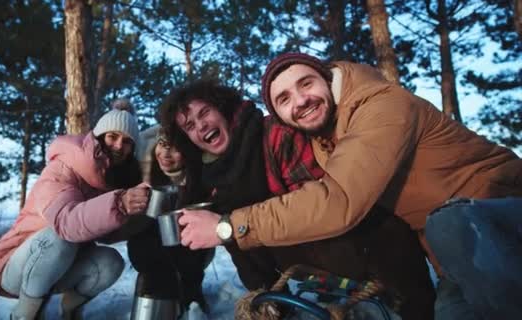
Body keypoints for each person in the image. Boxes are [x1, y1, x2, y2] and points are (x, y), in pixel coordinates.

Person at [178, 53, 522, 319]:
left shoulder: (381, 105)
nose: (300, 101)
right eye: (284, 99)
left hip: (501, 215)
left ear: (328, 80)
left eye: (306, 84)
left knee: (449, 223)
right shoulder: (321, 142)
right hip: (455, 264)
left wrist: (228, 226)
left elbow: (338, 199)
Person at [160, 80, 436, 319]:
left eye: (204, 112)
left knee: (390, 238)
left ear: (222, 108)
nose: (201, 125)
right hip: (291, 252)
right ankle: (272, 305)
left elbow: (321, 206)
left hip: (351, 238)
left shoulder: (273, 135)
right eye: (189, 126)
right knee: (229, 226)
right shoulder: (210, 176)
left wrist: (233, 225)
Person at [0, 105, 150, 320]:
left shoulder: (108, 180)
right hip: (16, 265)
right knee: (60, 238)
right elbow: (67, 223)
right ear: (99, 137)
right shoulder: (63, 168)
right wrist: (120, 203)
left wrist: (144, 216)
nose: (119, 145)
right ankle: (25, 315)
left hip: (62, 265)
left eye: (128, 141)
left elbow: (104, 233)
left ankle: (70, 309)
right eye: (113, 136)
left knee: (111, 263)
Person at [127, 131, 213, 315]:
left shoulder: (202, 178)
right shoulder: (144, 176)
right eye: (161, 144)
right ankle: (156, 289)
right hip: (153, 251)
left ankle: (191, 291)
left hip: (191, 247)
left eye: (175, 148)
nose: (165, 153)